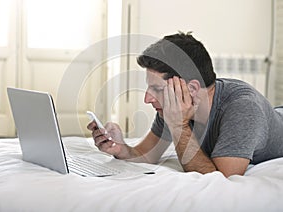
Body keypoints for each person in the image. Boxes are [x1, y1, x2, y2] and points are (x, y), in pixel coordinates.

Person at [87, 32, 283, 177]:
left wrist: (179, 125)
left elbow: (222, 180)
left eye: (158, 89)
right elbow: (146, 155)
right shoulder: (175, 102)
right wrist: (121, 148)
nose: (147, 99)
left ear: (191, 88)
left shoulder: (242, 109)